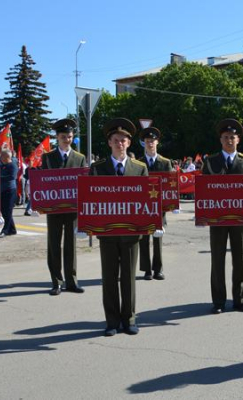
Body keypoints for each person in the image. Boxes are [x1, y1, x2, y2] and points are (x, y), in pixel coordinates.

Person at [90, 118, 148, 336]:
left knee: (129, 279)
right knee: (110, 277)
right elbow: (91, 201)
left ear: (129, 143)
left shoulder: (139, 168)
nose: (120, 144)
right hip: (107, 233)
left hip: (132, 233)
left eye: (123, 140)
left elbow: (146, 201)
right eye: (116, 140)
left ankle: (129, 318)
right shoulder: (98, 169)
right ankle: (112, 321)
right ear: (109, 143)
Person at [202, 119, 243, 314]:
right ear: (220, 140)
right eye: (226, 137)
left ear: (238, 140)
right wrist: (202, 215)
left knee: (240, 259)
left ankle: (240, 299)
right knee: (217, 259)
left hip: (240, 219)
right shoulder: (210, 161)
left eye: (232, 137)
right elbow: (203, 189)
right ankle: (218, 301)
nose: (229, 140)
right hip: (217, 218)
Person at [41, 118, 88, 295]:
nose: (66, 140)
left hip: (72, 209)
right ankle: (56, 282)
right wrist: (38, 203)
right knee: (54, 244)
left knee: (71, 245)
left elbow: (83, 183)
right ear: (57, 138)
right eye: (63, 137)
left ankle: (71, 281)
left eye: (69, 136)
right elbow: (43, 183)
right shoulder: (48, 157)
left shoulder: (80, 157)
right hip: (53, 208)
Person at [138, 126, 174, 281]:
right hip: (143, 208)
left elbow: (171, 184)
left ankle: (158, 269)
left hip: (160, 207)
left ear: (157, 142)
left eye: (152, 141)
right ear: (144, 143)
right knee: (144, 239)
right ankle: (146, 270)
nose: (150, 143)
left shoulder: (166, 163)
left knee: (158, 239)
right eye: (147, 141)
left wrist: (173, 204)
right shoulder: (138, 163)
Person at [0, 149, 18, 238]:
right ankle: (12, 230)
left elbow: (12, 177)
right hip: (2, 191)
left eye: (2, 156)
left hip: (10, 190)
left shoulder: (12, 165)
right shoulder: (2, 166)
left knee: (8, 211)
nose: (0, 157)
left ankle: (5, 230)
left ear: (7, 156)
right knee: (4, 211)